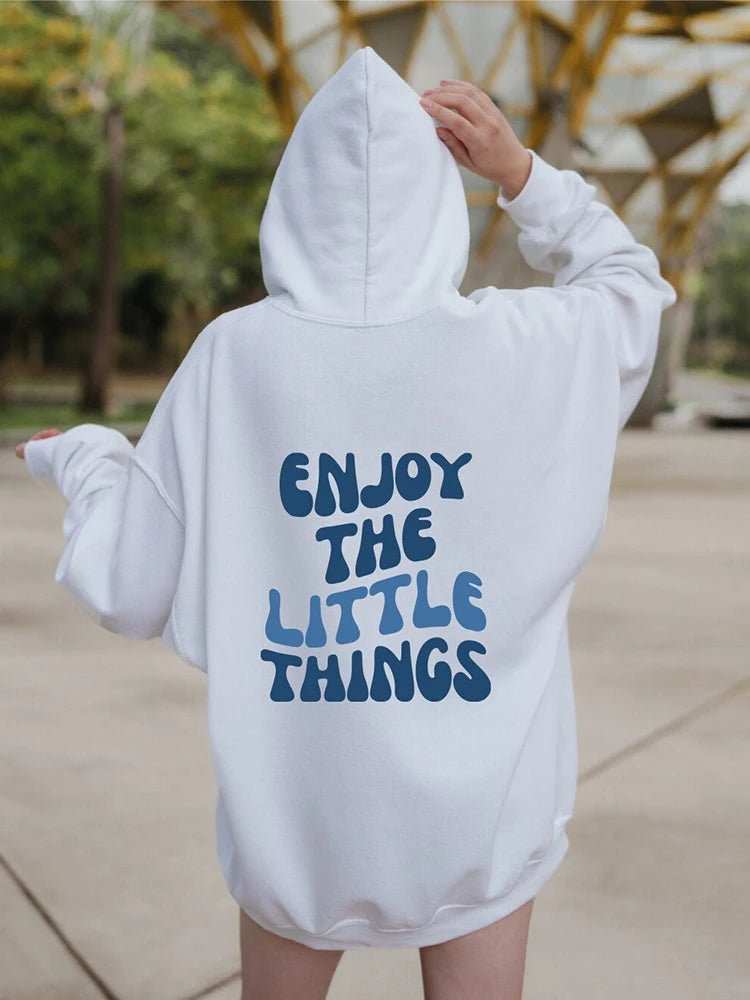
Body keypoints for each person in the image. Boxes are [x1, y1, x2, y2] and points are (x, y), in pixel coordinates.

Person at [17, 46, 677, 1000]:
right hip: (482, 820)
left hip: (300, 819)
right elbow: (631, 290)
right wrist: (523, 177)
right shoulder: (518, 345)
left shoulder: (234, 358)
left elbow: (130, 583)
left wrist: (84, 456)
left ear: (293, 195)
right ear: (434, 202)